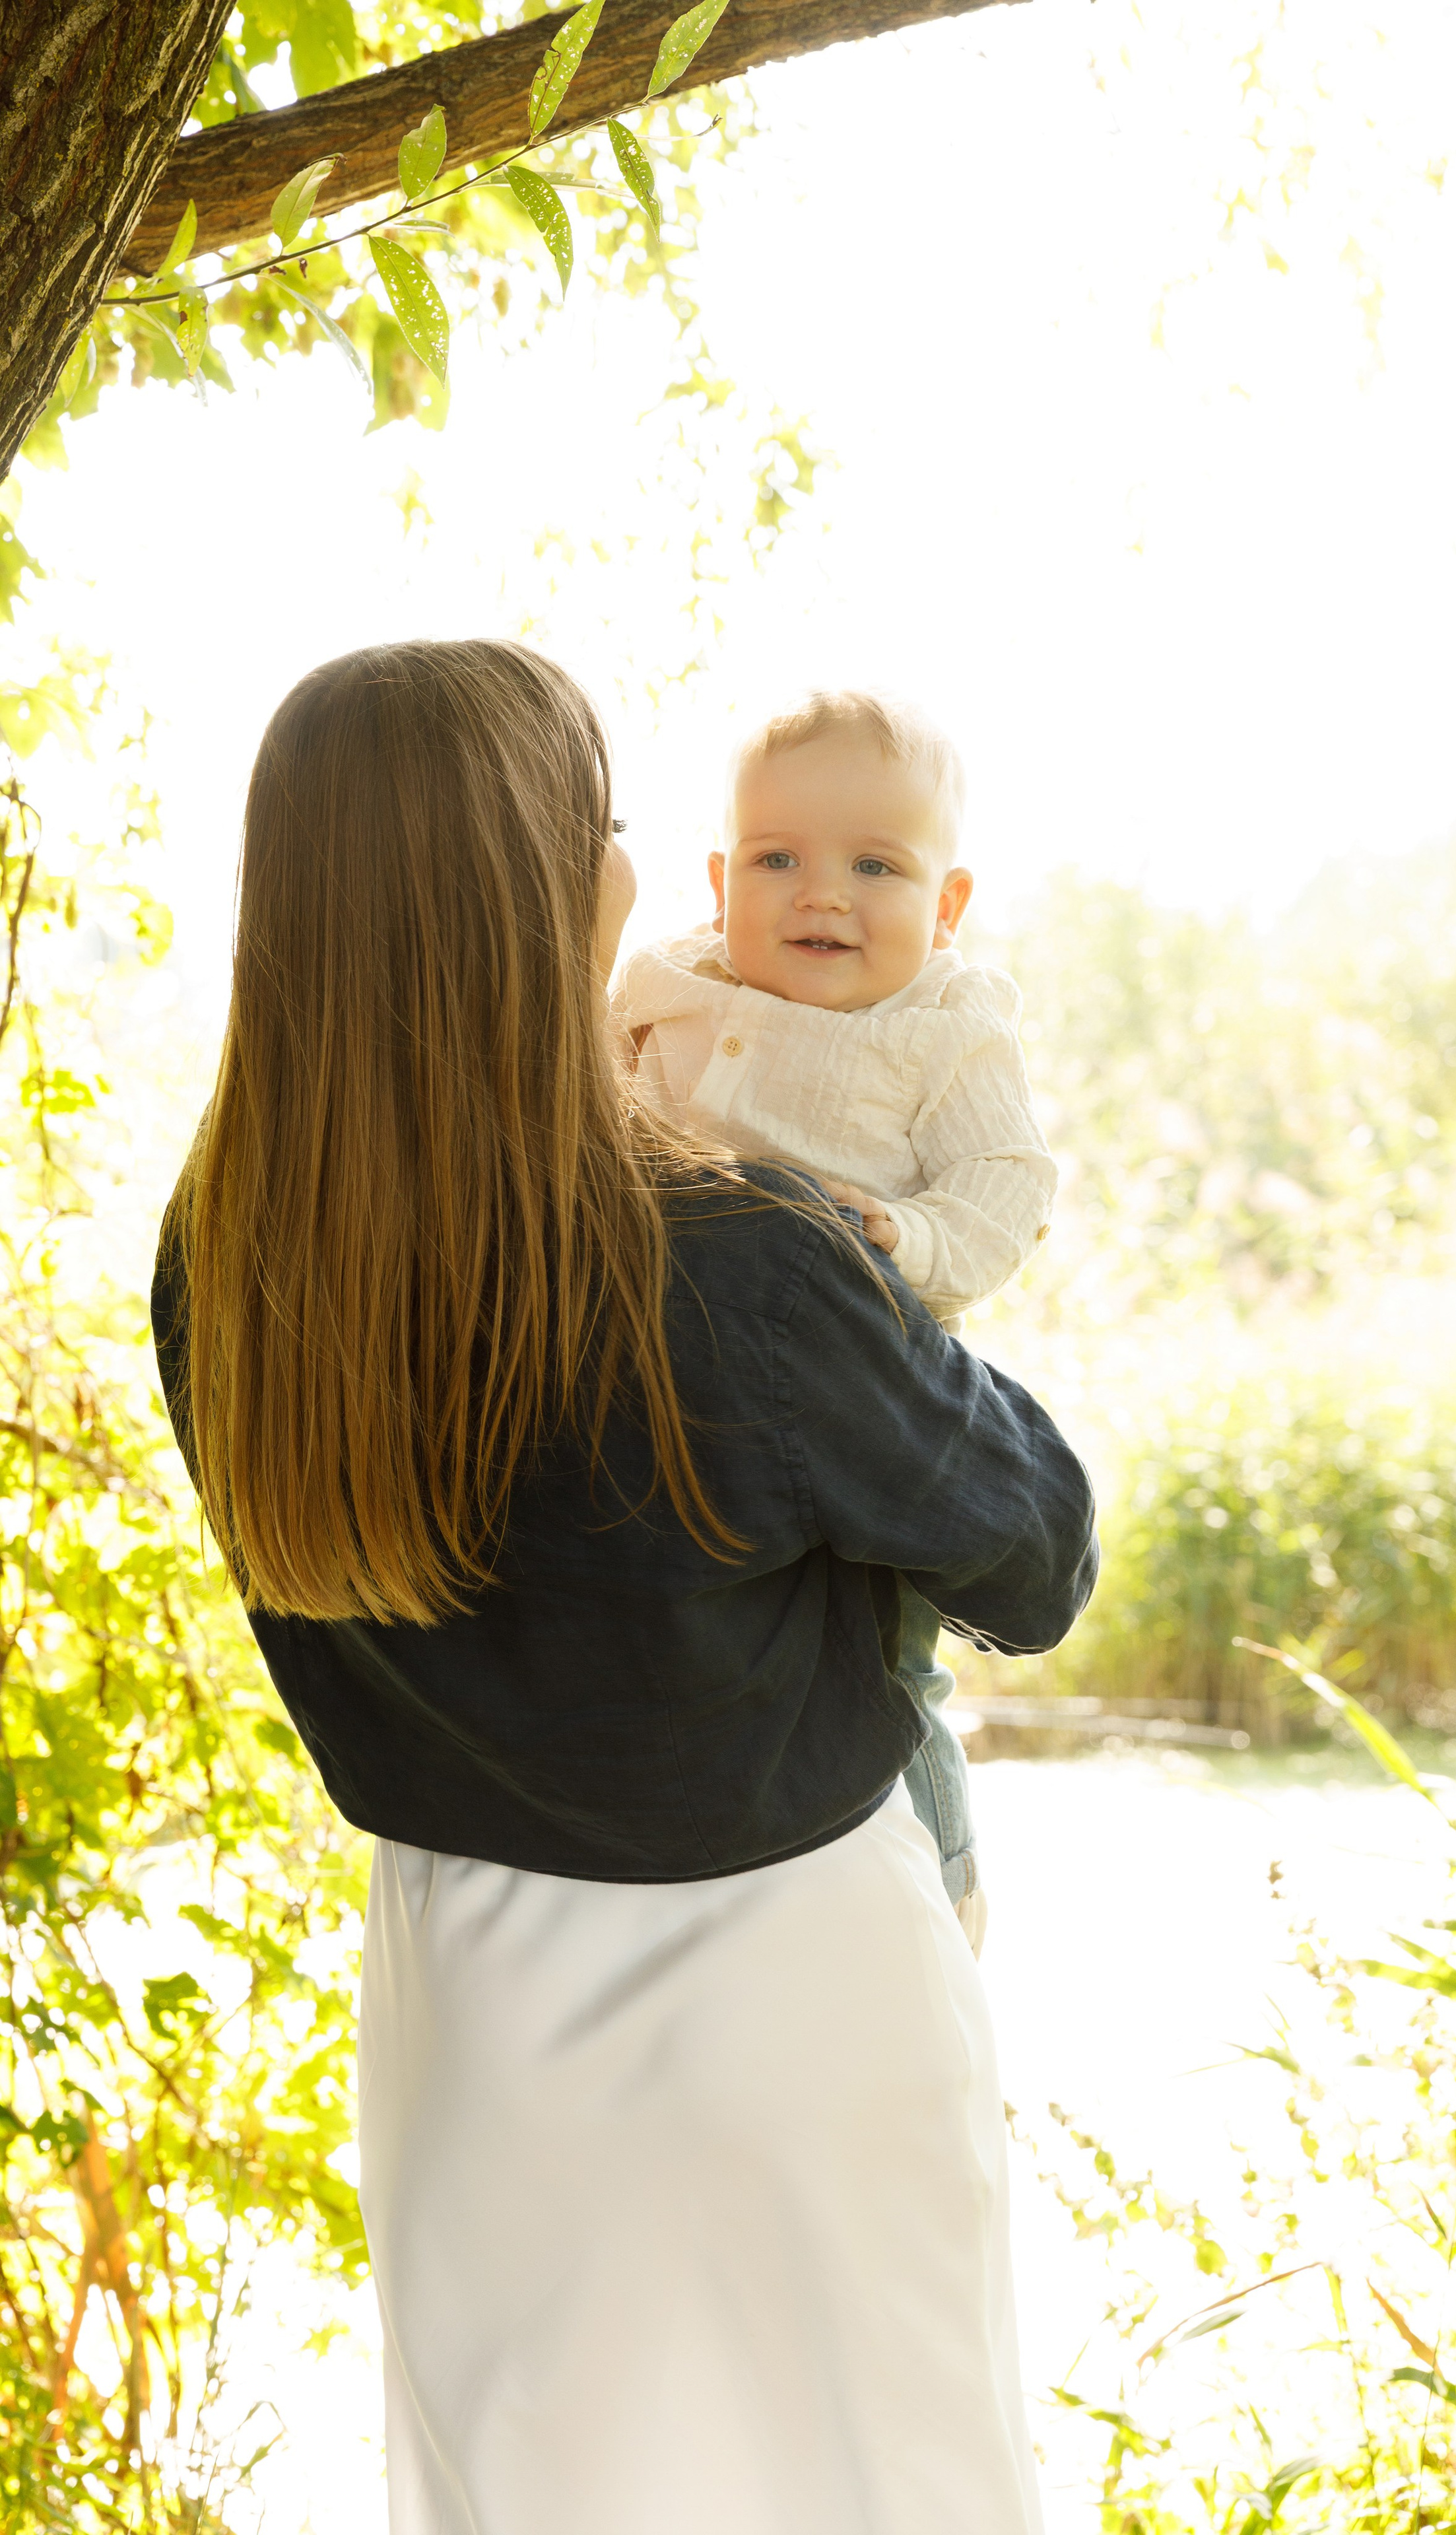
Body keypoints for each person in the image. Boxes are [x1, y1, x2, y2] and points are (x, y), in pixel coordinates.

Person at [150, 638, 1098, 2535]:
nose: (634, 866)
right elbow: (1036, 1553)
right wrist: (875, 1271)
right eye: (601, 823)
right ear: (533, 882)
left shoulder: (228, 1252)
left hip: (463, 2012)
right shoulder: (732, 1254)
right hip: (782, 2004)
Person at [616, 689, 1057, 1945]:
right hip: (680, 1390)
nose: (823, 895)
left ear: (948, 907)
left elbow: (1008, 1186)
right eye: (779, 860)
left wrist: (906, 1238)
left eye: (876, 866)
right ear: (718, 883)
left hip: (866, 1406)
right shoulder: (665, 991)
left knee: (882, 1660)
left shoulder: (942, 1028)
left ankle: (943, 1879)